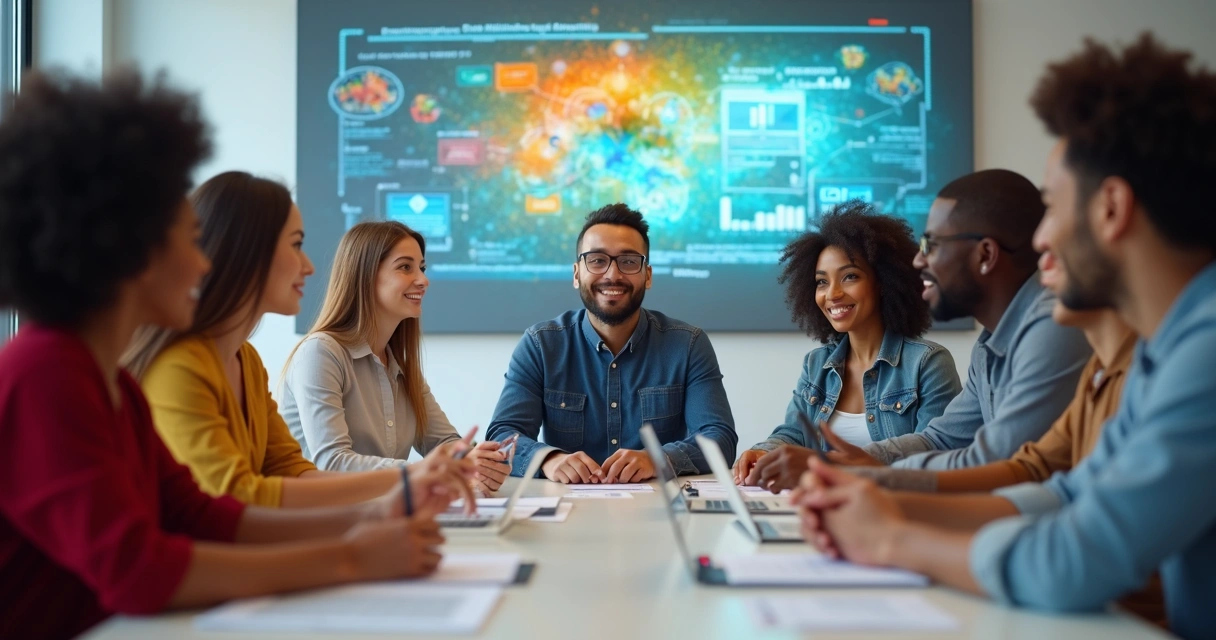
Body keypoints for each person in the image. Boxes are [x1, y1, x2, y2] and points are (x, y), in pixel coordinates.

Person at [0, 69, 471, 639]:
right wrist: (353, 556)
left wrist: (375, 515)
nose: (203, 264)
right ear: (127, 244)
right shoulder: (45, 375)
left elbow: (201, 515)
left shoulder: (111, 383)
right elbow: (140, 571)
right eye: (186, 238)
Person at [792, 34, 1216, 640]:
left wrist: (891, 537)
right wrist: (884, 500)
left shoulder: (1205, 351)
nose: (1041, 239)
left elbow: (1077, 558)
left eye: (1052, 207)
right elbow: (1062, 491)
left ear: (1112, 208)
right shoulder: (1165, 349)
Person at [125, 172, 456, 507]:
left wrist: (411, 487)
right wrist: (407, 483)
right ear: (246, 251)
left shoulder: (247, 361)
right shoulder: (181, 366)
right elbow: (236, 500)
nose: (310, 266)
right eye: (296, 245)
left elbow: (290, 470)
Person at [816, 169, 1093, 477]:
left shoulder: (1052, 327)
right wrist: (850, 462)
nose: (919, 261)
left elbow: (997, 460)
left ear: (985, 254)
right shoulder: (990, 345)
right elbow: (942, 439)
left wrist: (876, 475)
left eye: (931, 245)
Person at [486, 203, 738, 483]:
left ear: (648, 275)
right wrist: (549, 459)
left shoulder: (688, 345)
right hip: (567, 511)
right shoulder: (540, 345)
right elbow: (503, 435)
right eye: (597, 260)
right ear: (576, 273)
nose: (612, 274)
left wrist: (659, 458)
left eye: (629, 261)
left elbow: (719, 438)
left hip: (657, 513)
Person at [731, 202, 961, 488]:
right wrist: (764, 451)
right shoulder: (816, 364)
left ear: (883, 282)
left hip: (897, 512)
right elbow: (794, 434)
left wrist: (838, 465)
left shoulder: (928, 363)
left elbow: (936, 451)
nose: (833, 294)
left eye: (850, 276)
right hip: (825, 510)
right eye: (821, 282)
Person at [279, 221, 510, 493]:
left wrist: (478, 461)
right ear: (364, 275)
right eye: (405, 267)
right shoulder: (320, 353)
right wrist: (432, 470)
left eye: (421, 268)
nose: (423, 280)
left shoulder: (399, 365)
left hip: (382, 513)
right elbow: (332, 463)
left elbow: (443, 442)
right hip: (326, 521)